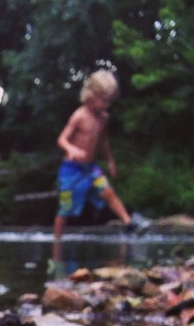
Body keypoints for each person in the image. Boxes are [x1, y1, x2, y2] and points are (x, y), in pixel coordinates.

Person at [53, 69, 148, 258]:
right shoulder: (79, 116)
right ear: (90, 95)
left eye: (109, 101)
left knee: (108, 192)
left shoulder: (104, 118)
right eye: (103, 100)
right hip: (71, 170)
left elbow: (103, 141)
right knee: (65, 207)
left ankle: (129, 224)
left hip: (90, 168)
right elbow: (62, 139)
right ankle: (57, 243)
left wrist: (111, 160)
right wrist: (71, 149)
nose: (107, 105)